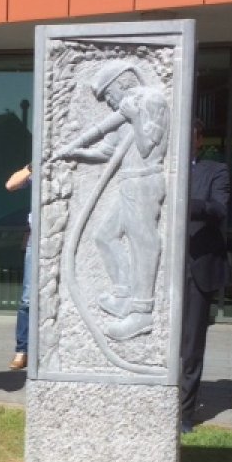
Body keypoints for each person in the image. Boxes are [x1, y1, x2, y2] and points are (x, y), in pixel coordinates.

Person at [58, 60, 169, 341]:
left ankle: (142, 313)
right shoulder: (125, 110)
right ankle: (124, 294)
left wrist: (134, 118)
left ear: (121, 84)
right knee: (104, 235)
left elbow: (146, 148)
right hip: (129, 182)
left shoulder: (151, 100)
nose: (109, 103)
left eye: (109, 95)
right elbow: (109, 150)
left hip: (145, 179)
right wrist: (78, 153)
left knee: (144, 242)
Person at [180, 120, 230, 433]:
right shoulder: (155, 167)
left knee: (190, 342)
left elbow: (219, 209)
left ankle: (184, 412)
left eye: (190, 134)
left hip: (196, 267)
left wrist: (182, 201)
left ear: (199, 140)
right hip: (159, 269)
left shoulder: (215, 170)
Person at [5, 163, 33, 370]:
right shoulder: (37, 166)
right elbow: (10, 185)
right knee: (28, 298)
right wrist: (33, 165)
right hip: (36, 237)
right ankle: (22, 350)